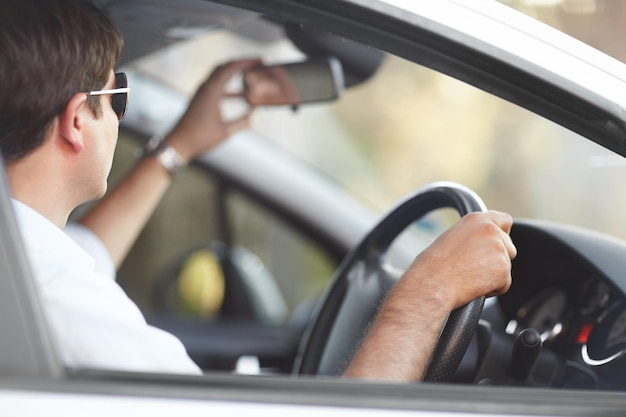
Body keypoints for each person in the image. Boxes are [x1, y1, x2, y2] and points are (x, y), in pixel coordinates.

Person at [0, 0, 516, 380]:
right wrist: (425, 295)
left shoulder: (25, 264)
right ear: (75, 121)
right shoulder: (61, 302)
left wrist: (182, 142)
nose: (118, 113)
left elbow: (87, 252)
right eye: (119, 94)